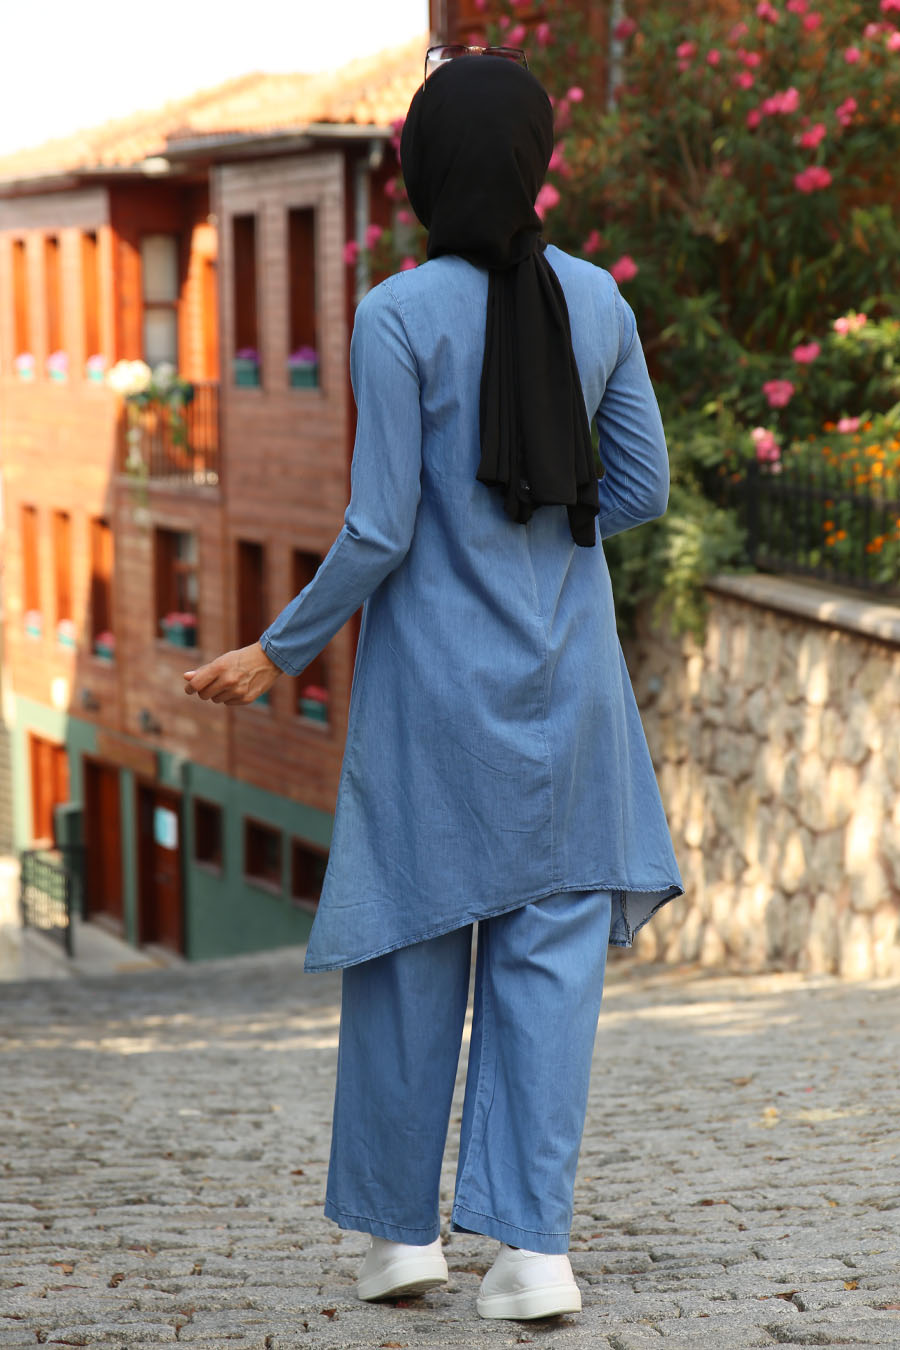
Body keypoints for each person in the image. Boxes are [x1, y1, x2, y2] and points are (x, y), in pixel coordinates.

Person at [183, 49, 684, 1322]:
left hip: (430, 704)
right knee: (550, 970)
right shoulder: (600, 302)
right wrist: (537, 529)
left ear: (419, 170)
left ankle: (403, 1243)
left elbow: (378, 530)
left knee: (410, 953)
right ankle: (534, 1259)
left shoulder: (399, 315)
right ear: (535, 158)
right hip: (566, 697)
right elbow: (640, 489)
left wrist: (277, 649)